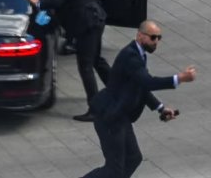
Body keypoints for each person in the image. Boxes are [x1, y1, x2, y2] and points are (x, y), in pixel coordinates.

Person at [81, 20, 197, 178]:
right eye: (153, 37)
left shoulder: (139, 54)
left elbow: (141, 86)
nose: (156, 42)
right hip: (109, 116)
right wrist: (180, 78)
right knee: (113, 169)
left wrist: (161, 108)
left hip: (120, 115)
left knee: (133, 158)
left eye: (159, 38)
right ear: (140, 36)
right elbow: (148, 82)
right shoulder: (130, 56)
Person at [22, 0, 110, 122]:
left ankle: (96, 109)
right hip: (95, 20)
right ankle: (117, 90)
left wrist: (37, 2)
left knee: (86, 66)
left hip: (87, 26)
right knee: (96, 60)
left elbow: (56, 1)